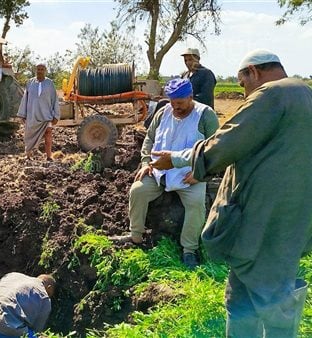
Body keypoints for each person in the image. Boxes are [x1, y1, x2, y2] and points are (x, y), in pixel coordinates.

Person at [150, 49, 312, 337]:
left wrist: (175, 159)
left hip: (263, 215)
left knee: (269, 297)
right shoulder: (305, 94)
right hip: (296, 215)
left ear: (254, 72)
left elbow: (226, 143)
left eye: (242, 83)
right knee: (247, 288)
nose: (244, 91)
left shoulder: (271, 95)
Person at [114, 78, 219, 269]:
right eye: (172, 102)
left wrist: (201, 174)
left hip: (190, 176)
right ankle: (135, 236)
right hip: (159, 173)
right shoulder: (163, 113)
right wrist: (146, 163)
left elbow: (215, 151)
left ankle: (189, 250)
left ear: (190, 97)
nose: (175, 107)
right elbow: (149, 139)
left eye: (180, 103)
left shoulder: (205, 115)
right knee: (137, 190)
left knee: (196, 204)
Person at [0, 272, 56, 337]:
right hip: (2, 331)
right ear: (48, 287)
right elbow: (37, 331)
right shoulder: (44, 297)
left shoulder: (12, 276)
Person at [17, 64, 60, 161]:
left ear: (45, 71)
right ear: (35, 70)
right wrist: (23, 114)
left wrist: (56, 115)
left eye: (42, 69)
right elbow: (25, 99)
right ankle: (28, 155)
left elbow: (55, 100)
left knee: (48, 133)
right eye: (38, 69)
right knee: (29, 135)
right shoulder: (30, 83)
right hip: (32, 115)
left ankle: (49, 156)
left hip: (46, 115)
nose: (40, 71)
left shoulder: (50, 83)